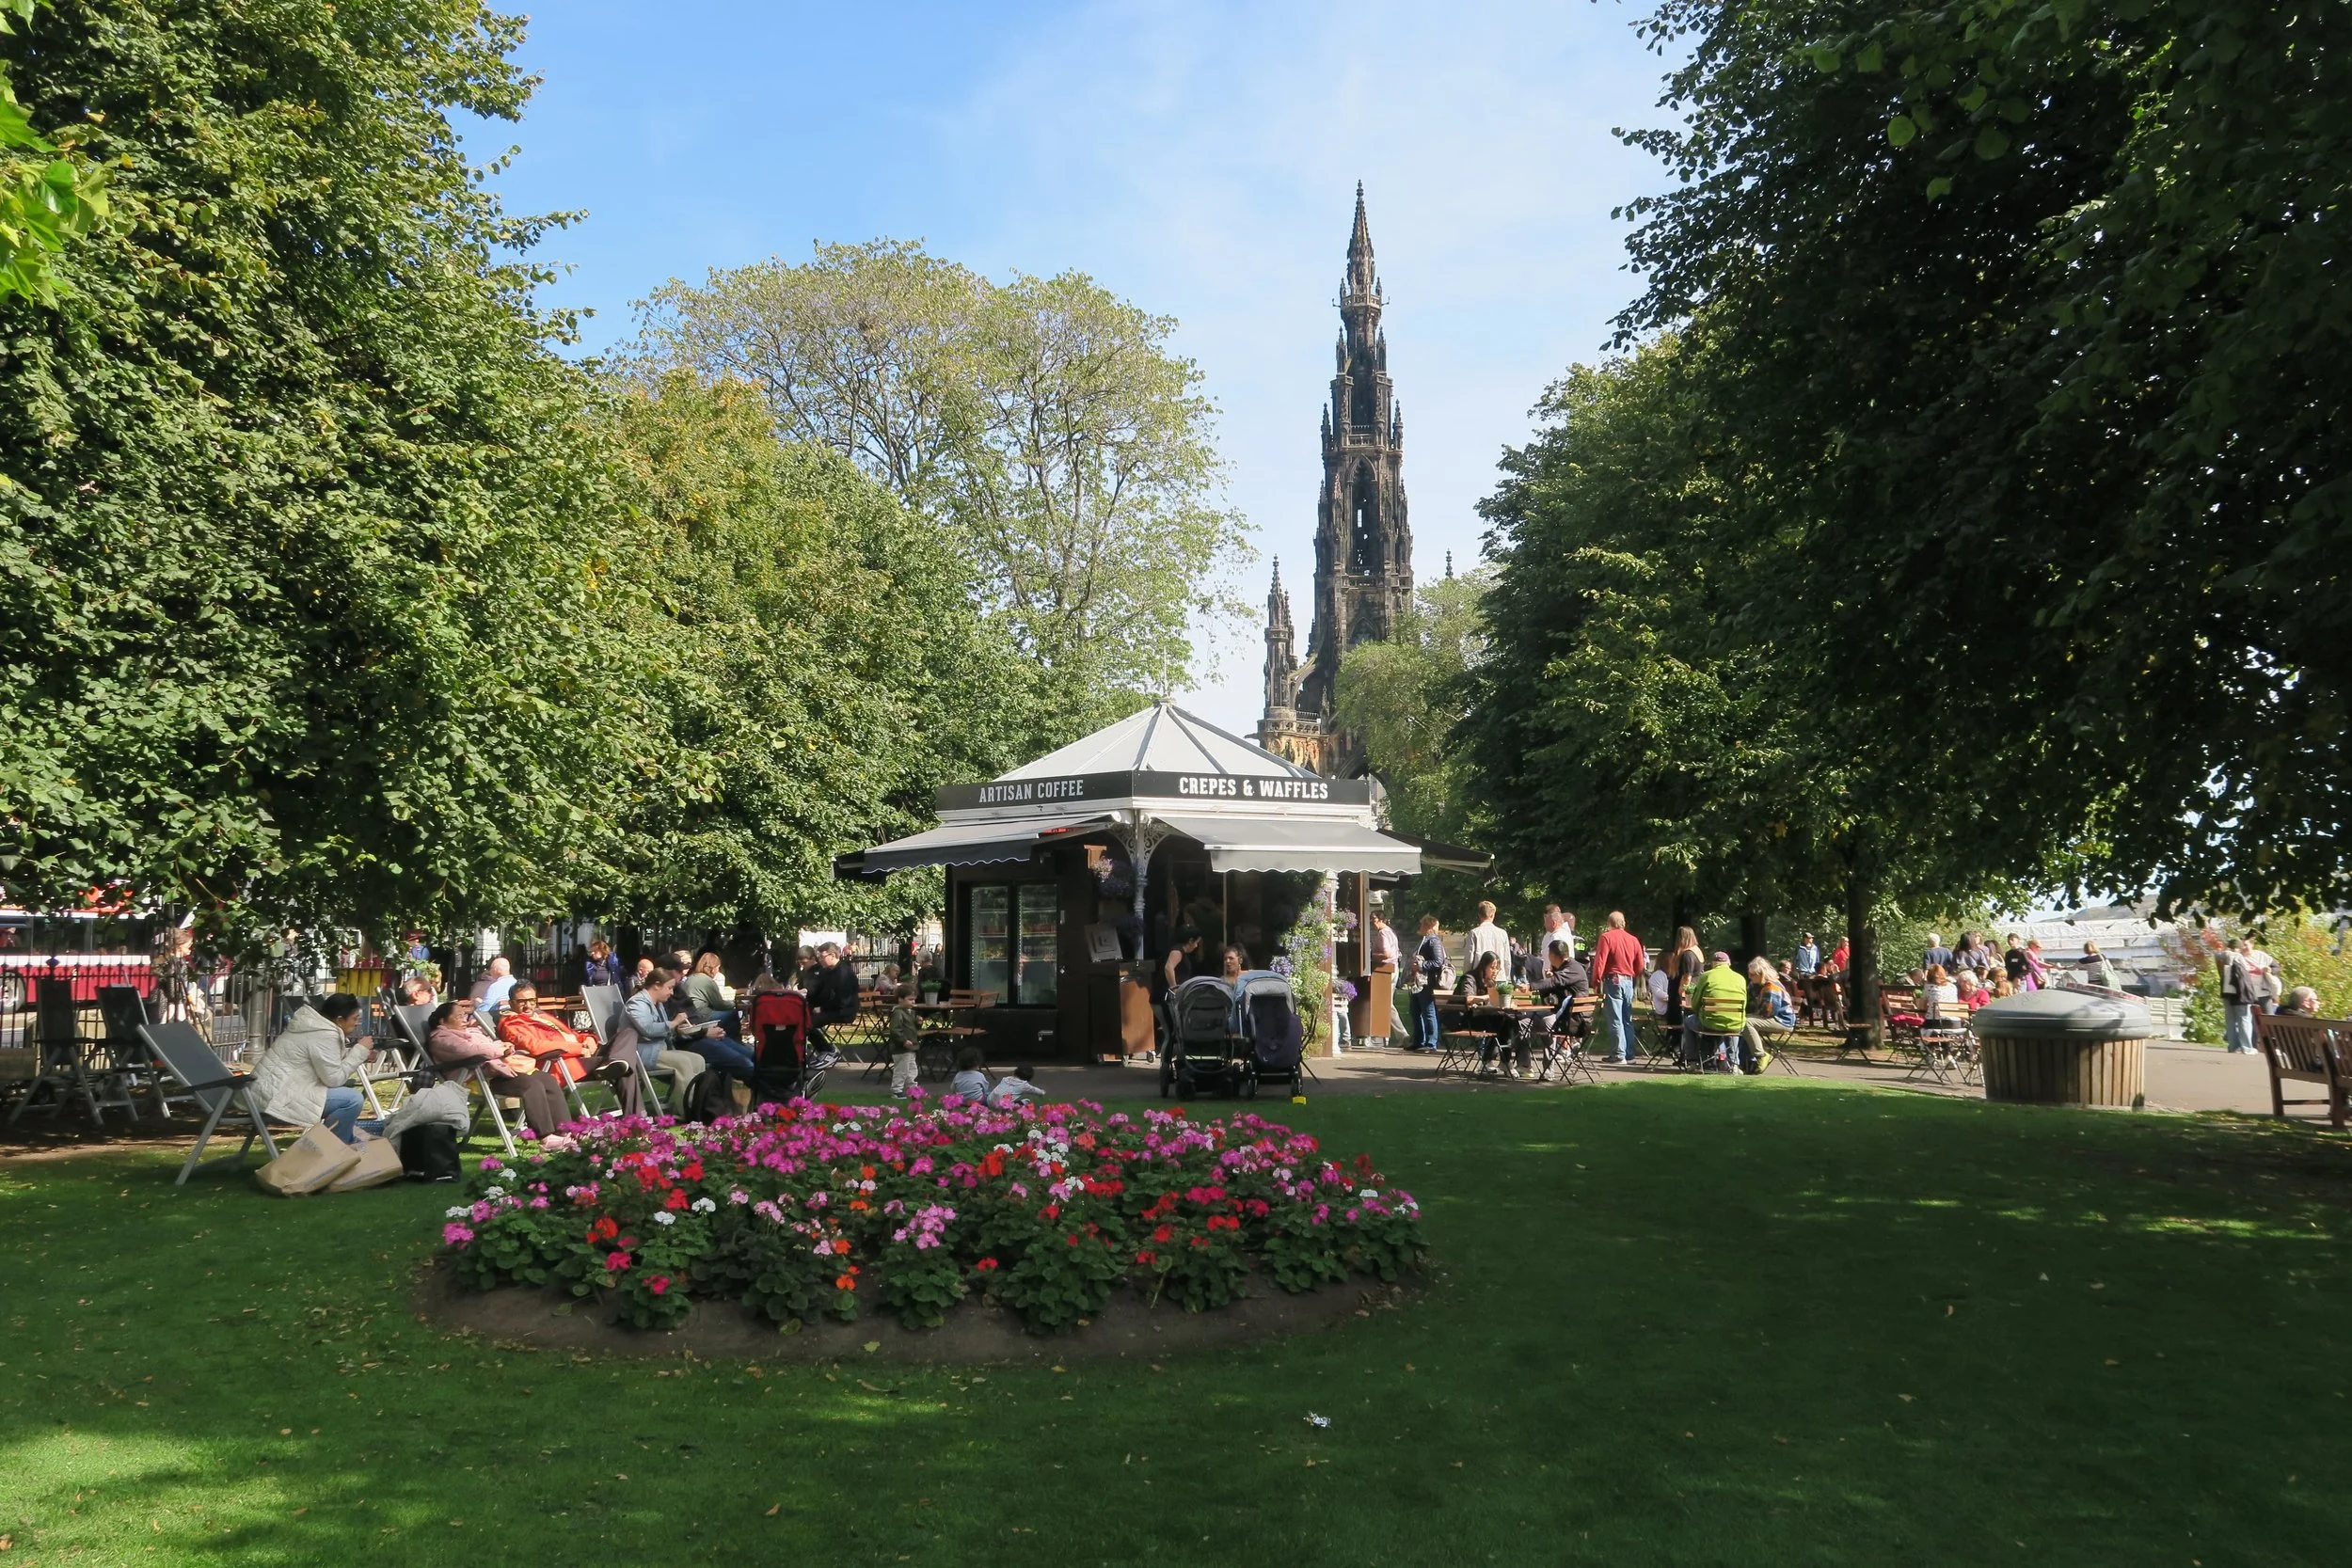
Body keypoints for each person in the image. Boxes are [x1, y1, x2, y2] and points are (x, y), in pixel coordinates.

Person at [425, 997, 573, 1138]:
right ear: (442, 1021)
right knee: (531, 1085)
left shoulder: (470, 1032)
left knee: (547, 1079)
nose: (465, 1019)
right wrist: (501, 1050)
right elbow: (471, 1050)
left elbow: (490, 1044)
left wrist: (503, 1046)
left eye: (465, 1015)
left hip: (496, 1072)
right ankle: (546, 1136)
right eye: (459, 1016)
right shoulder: (441, 1039)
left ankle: (565, 1131)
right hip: (476, 1080)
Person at [252, 993, 382, 1144]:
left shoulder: (315, 1027)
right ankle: (334, 1147)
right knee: (352, 1099)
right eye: (355, 1018)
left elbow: (324, 1060)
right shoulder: (325, 1035)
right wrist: (359, 1051)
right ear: (340, 1020)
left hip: (268, 1093)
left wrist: (356, 1053)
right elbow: (334, 1079)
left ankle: (340, 1142)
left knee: (348, 1097)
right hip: (279, 1097)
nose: (357, 1023)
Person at [497, 983, 642, 1117]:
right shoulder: (512, 1024)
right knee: (625, 1066)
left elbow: (570, 1034)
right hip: (562, 1063)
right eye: (522, 1002)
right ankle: (637, 1120)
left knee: (628, 1034)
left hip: (583, 1053)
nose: (528, 1006)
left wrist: (588, 1038)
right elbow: (534, 1047)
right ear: (511, 1003)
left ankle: (613, 1064)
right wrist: (579, 1049)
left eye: (532, 1000)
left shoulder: (542, 1016)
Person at [619, 972, 714, 1090]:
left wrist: (679, 1030)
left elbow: (663, 1031)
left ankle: (697, 1099)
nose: (672, 992)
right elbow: (648, 1029)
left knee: (698, 1060)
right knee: (683, 1062)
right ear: (656, 985)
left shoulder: (658, 1004)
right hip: (640, 1053)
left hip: (658, 1050)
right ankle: (686, 1101)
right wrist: (674, 1022)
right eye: (669, 988)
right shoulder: (636, 1003)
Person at [1591, 911, 1647, 1066]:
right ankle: (1629, 1054)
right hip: (1628, 980)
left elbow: (1600, 961)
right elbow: (1640, 965)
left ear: (1609, 923)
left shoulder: (1606, 937)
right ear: (1623, 923)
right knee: (1627, 1018)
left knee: (1615, 1017)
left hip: (1613, 979)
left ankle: (1618, 1054)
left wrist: (1596, 981)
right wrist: (1632, 973)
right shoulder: (1633, 939)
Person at [1686, 951, 1749, 1071]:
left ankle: (1693, 1061)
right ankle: (1734, 1064)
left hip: (1710, 1024)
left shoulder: (1706, 976)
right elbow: (1744, 1004)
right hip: (1735, 1023)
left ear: (1713, 964)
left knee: (1688, 1021)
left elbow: (1695, 1004)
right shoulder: (1740, 978)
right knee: (1733, 1023)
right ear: (1729, 963)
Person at [803, 942, 861, 1068]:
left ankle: (828, 1051)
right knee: (801, 1019)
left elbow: (843, 1000)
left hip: (844, 1012)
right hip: (831, 1009)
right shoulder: (827, 972)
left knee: (807, 1023)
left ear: (833, 955)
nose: (820, 960)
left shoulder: (844, 973)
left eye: (822, 957)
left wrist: (822, 1008)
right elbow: (820, 993)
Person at [1742, 958, 1798, 1069]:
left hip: (1782, 1021)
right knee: (1743, 1020)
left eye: (1752, 975)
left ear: (1761, 974)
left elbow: (1768, 1012)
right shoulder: (1761, 985)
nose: (1749, 977)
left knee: (1747, 1022)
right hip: (1774, 1017)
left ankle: (1761, 1055)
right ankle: (1746, 1061)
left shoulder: (1771, 987)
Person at [1410, 914, 1447, 1053]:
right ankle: (1418, 1041)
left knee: (1428, 1011)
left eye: (1422, 924)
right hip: (1418, 982)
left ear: (1428, 926)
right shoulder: (1424, 940)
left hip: (1427, 982)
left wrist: (1420, 966)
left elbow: (1438, 962)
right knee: (1415, 1011)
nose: (1419, 927)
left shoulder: (1433, 941)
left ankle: (1431, 1043)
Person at [679, 949, 738, 1034]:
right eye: (718, 968)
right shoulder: (707, 981)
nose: (718, 971)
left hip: (689, 1015)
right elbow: (720, 1005)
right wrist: (734, 1003)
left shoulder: (690, 978)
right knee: (733, 1014)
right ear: (713, 968)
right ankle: (731, 1038)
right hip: (702, 1016)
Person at [2217, 939, 2258, 1053]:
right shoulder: (2238, 957)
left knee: (2230, 1019)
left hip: (2226, 990)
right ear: (2238, 947)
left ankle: (2233, 1046)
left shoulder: (2220, 957)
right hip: (2240, 992)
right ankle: (2247, 1047)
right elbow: (2245, 974)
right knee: (2244, 1018)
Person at [885, 991, 924, 1097]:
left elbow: (911, 1028)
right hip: (901, 1048)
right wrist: (903, 1040)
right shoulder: (898, 1012)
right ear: (900, 999)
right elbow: (895, 1030)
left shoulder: (909, 1012)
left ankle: (913, 1089)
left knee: (912, 1070)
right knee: (901, 1070)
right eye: (910, 999)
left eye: (914, 999)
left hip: (910, 1047)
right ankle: (896, 1090)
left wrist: (918, 1023)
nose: (913, 1002)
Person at [1666, 927, 1704, 1031]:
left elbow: (1687, 976)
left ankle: (1680, 1038)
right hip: (1695, 987)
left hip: (1688, 990)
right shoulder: (1697, 951)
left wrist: (1682, 990)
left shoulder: (1688, 954)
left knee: (1685, 1016)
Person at [1466, 902, 1510, 978]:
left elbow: (1469, 958)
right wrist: (1506, 976)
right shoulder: (1503, 933)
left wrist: (1467, 975)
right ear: (1492, 915)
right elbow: (1507, 959)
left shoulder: (1474, 933)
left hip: (1480, 977)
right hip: (1499, 976)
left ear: (1479, 915)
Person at [469, 955, 516, 1022]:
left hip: (497, 1020)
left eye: (491, 968)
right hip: (514, 1018)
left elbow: (485, 1007)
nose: (490, 971)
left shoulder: (496, 986)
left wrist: (472, 1018)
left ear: (496, 970)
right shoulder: (515, 983)